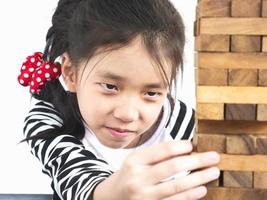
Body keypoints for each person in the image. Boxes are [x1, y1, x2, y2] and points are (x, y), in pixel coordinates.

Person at [19, 0, 220, 199]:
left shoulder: (178, 119)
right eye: (110, 87)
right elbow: (78, 178)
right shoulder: (48, 120)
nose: (127, 114)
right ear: (71, 73)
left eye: (151, 93)